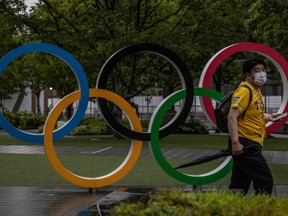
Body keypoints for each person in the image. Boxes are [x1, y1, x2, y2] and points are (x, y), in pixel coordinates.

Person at [227, 58, 280, 195]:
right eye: (256, 71)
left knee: (239, 185)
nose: (261, 74)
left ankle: (228, 209)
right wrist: (235, 143)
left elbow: (251, 113)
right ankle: (260, 210)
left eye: (263, 70)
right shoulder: (244, 91)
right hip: (245, 144)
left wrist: (267, 117)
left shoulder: (256, 91)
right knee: (264, 180)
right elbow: (232, 117)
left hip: (251, 143)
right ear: (248, 75)